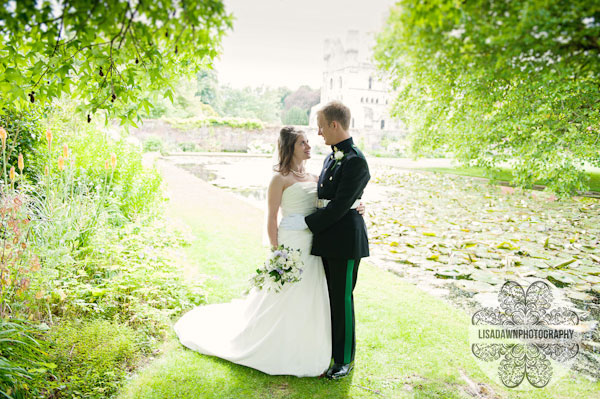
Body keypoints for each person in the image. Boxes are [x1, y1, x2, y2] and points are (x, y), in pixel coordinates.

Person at [174, 126, 365, 377]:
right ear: (289, 148)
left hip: (314, 244)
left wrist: (358, 205)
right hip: (291, 243)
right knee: (286, 292)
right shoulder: (280, 179)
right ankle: (277, 340)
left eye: (308, 142)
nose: (309, 146)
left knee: (312, 292)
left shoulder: (315, 176)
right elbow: (271, 217)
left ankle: (314, 341)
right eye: (302, 143)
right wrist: (276, 252)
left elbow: (334, 201)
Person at [280, 101, 370, 379]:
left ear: (334, 124)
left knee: (341, 299)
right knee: (327, 298)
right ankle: (329, 348)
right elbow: (325, 198)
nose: (318, 133)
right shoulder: (332, 157)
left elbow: (339, 205)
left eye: (320, 126)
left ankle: (344, 360)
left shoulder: (355, 160)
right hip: (328, 238)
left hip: (344, 241)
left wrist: (303, 225)